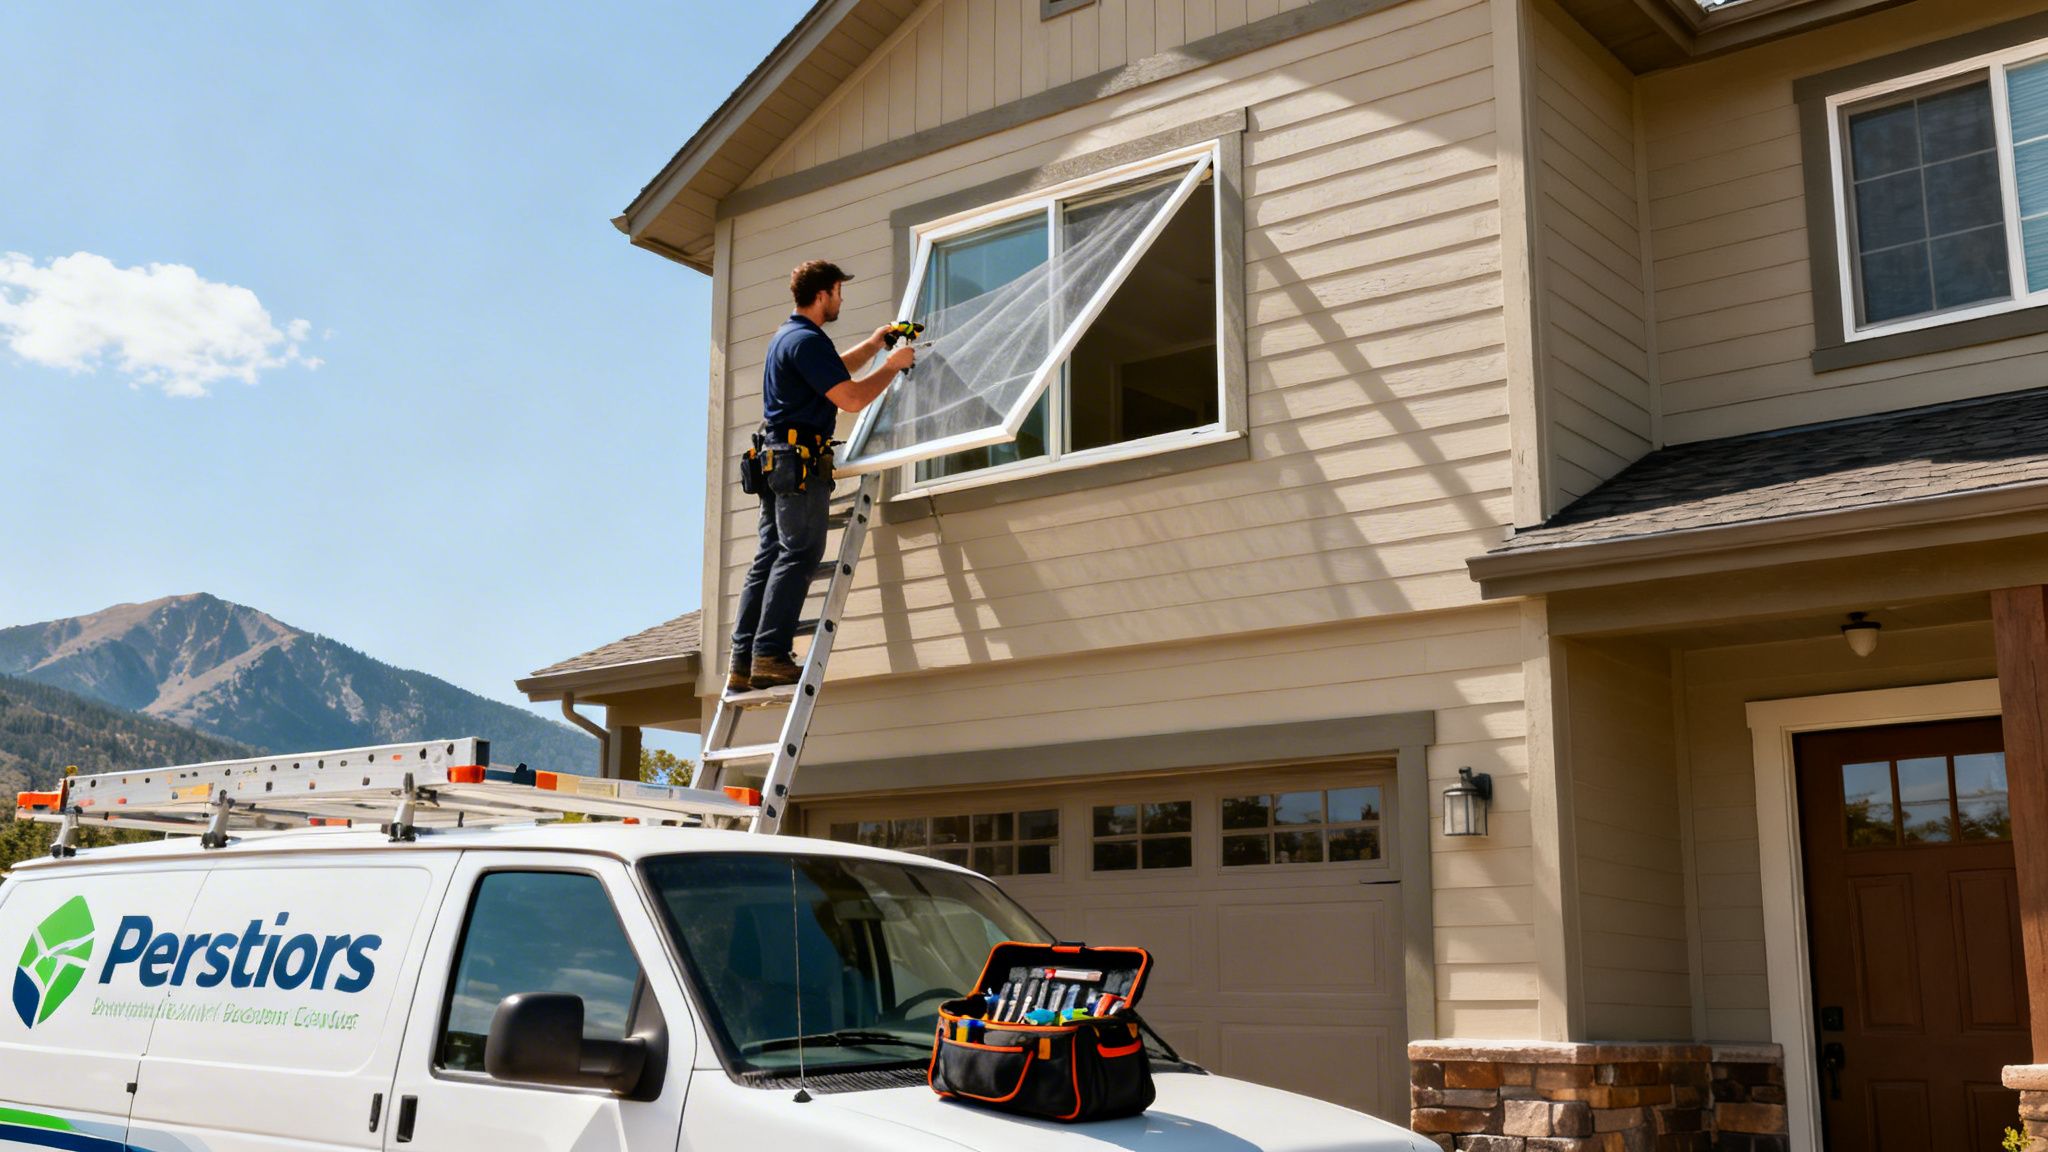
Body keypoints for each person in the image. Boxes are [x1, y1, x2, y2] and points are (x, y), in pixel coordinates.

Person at [729, 260, 915, 693]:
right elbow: (849, 398)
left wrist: (874, 346)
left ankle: (743, 660)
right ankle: (770, 655)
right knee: (799, 552)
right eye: (839, 292)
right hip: (797, 464)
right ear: (826, 292)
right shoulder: (808, 341)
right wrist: (893, 366)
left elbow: (831, 372)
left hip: (777, 462)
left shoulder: (790, 337)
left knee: (770, 557)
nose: (841, 300)